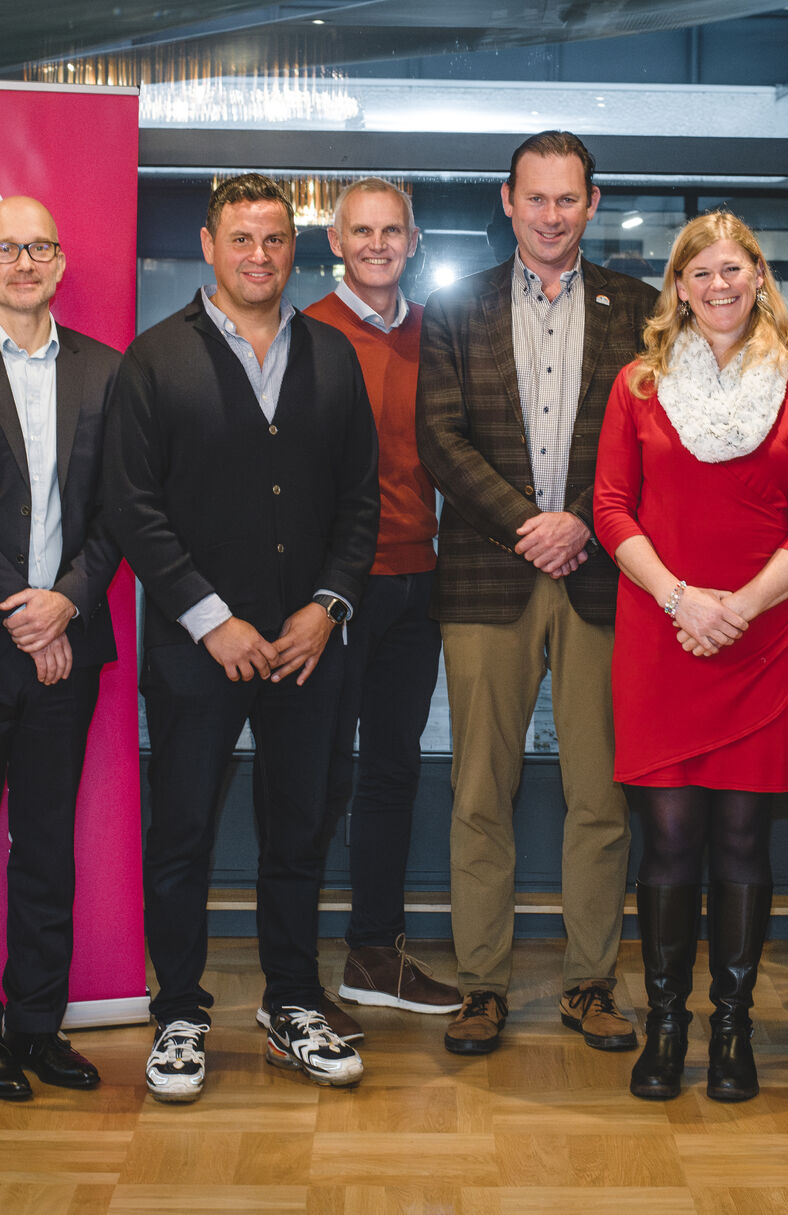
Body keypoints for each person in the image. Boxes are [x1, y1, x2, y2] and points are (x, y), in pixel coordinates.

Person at [104, 174, 380, 1098]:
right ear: (208, 243)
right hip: (197, 652)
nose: (259, 255)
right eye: (242, 238)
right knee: (181, 831)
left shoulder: (334, 357)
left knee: (297, 832)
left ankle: (290, 1000)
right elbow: (133, 510)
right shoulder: (153, 361)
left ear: (293, 249)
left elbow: (359, 502)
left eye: (274, 239)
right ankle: (179, 1010)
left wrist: (327, 606)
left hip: (309, 651)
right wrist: (211, 618)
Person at [416, 131, 657, 1056]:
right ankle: (483, 985)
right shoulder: (456, 307)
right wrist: (533, 522)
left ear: (592, 204)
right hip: (487, 576)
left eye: (568, 200)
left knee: (602, 794)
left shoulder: (640, 308)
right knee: (481, 790)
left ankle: (590, 983)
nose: (552, 216)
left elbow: (647, 442)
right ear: (506, 202)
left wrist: (585, 525)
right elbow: (440, 436)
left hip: (605, 576)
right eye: (536, 199)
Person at [594, 211, 788, 1102]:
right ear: (679, 286)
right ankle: (665, 1024)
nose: (719, 286)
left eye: (734, 270)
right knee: (666, 839)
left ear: (760, 280)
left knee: (741, 838)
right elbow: (612, 509)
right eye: (701, 273)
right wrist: (682, 599)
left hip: (763, 636)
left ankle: (731, 1027)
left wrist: (738, 605)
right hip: (663, 635)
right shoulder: (640, 385)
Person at [0, 195, 121, 1101]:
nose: (24, 260)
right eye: (5, 247)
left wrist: (66, 603)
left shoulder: (107, 371)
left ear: (60, 260)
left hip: (67, 646)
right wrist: (21, 613)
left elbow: (124, 511)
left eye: (40, 244)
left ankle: (38, 1025)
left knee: (46, 844)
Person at [303, 179, 462, 1019]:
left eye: (390, 230)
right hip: (335, 593)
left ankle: (374, 953)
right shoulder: (305, 337)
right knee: (320, 774)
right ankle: (293, 974)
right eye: (360, 230)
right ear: (336, 240)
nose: (376, 244)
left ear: (413, 240)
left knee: (394, 772)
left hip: (419, 582)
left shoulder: (439, 336)